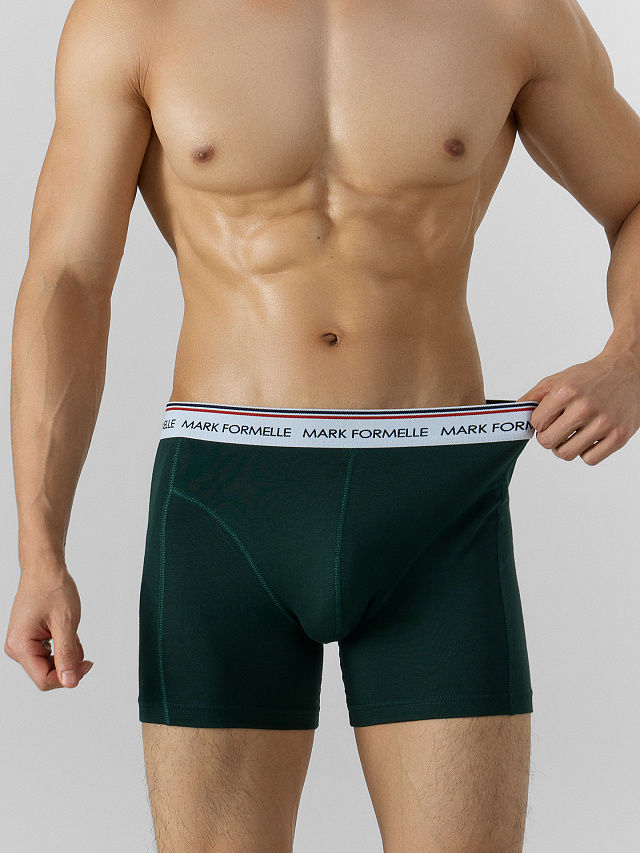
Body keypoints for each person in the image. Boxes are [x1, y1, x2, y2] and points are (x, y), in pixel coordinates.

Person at [5, 0, 640, 850]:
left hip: (434, 503)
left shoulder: (509, 13)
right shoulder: (136, 18)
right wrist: (40, 549)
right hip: (227, 496)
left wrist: (629, 360)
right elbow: (68, 278)